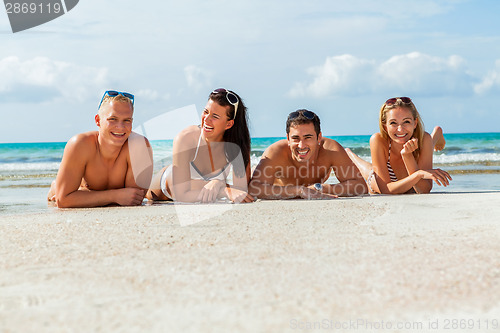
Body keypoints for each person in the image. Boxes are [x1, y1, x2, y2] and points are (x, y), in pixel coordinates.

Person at [146, 88, 254, 203]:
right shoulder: (186, 138)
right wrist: (223, 189)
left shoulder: (238, 145)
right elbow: (181, 195)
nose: (206, 119)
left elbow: (241, 191)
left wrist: (217, 183)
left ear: (229, 124)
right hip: (166, 187)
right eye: (206, 112)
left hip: (197, 188)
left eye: (215, 116)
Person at [47, 90, 153, 207]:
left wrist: (80, 196)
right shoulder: (80, 144)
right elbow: (63, 201)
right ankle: (55, 187)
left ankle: (61, 187)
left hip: (84, 192)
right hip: (79, 190)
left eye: (126, 120)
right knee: (58, 191)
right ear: (98, 120)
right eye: (112, 119)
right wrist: (114, 196)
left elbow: (133, 198)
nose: (120, 127)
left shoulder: (139, 146)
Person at [248, 109, 368, 199]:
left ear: (319, 137)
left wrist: (321, 188)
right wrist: (299, 191)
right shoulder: (276, 152)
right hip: (273, 179)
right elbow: (254, 188)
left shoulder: (331, 150)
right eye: (295, 138)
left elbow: (361, 186)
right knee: (254, 172)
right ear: (288, 139)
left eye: (308, 137)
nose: (301, 145)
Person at [346, 97, 452, 194]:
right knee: (368, 171)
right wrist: (419, 174)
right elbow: (386, 190)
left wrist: (407, 156)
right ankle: (350, 154)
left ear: (415, 123)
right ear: (385, 126)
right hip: (377, 184)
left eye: (406, 121)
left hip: (409, 177)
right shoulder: (378, 140)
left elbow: (423, 190)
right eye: (393, 123)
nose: (400, 129)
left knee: (427, 142)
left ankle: (435, 135)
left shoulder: (424, 139)